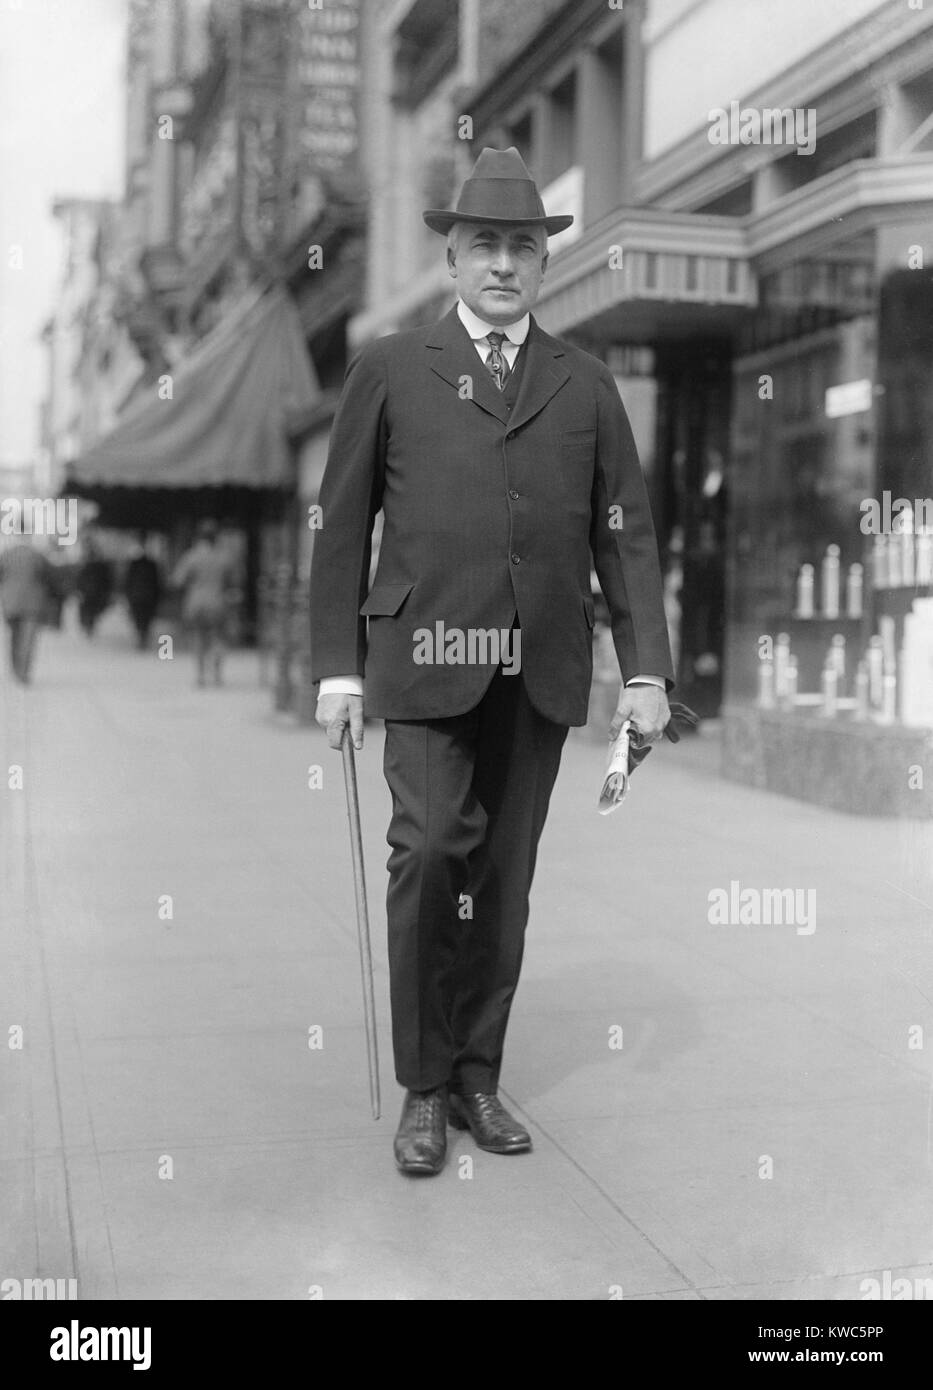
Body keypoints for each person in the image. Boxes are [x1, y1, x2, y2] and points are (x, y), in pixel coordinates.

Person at [310, 147, 674, 1176]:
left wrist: (646, 670)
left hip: (541, 667)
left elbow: (625, 534)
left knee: (503, 880)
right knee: (429, 854)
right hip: (426, 658)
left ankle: (477, 1072)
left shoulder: (586, 383)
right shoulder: (390, 368)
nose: (503, 264)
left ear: (544, 262)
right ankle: (424, 1087)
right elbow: (342, 526)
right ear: (453, 258)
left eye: (522, 245)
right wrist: (337, 668)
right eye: (484, 245)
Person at [171, 520, 237, 687]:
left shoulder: (192, 556)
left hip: (196, 603)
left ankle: (200, 675)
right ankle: (216, 675)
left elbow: (177, 580)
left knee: (199, 638)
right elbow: (234, 581)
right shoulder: (224, 557)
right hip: (218, 603)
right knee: (217, 638)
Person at [0, 538, 58, 684]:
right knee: (28, 638)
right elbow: (49, 577)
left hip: (10, 601)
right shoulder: (37, 555)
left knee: (14, 637)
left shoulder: (6, 554)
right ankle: (23, 672)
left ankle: (15, 667)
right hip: (33, 602)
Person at [124, 532, 163, 650]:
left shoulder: (135, 565)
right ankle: (142, 638)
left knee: (139, 617)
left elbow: (127, 581)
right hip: (147, 596)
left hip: (138, 595)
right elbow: (157, 582)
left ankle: (141, 638)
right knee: (145, 618)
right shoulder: (151, 565)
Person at [75, 534, 114, 637]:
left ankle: (89, 626)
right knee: (89, 610)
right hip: (91, 591)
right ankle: (88, 626)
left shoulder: (92, 565)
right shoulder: (92, 564)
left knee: (90, 610)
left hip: (92, 591)